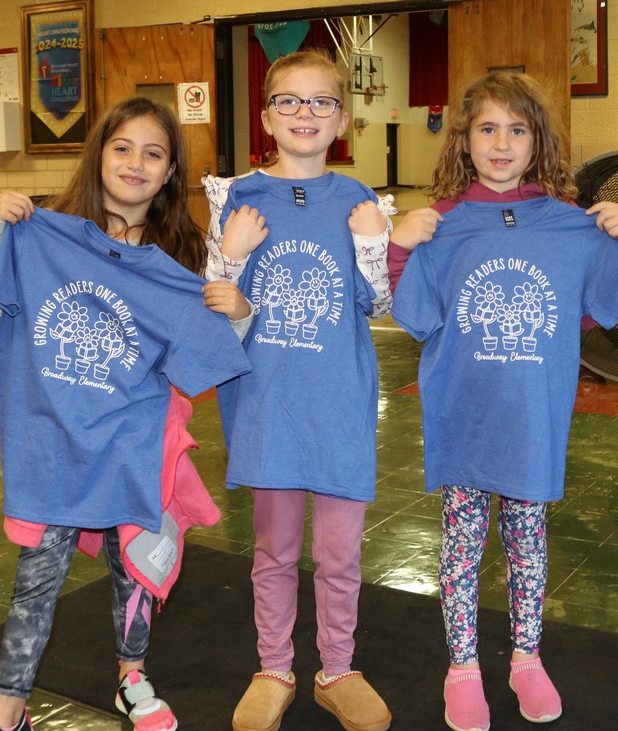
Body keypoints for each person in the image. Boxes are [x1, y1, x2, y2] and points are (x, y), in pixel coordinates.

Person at [0, 97, 254, 731]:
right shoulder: (44, 233)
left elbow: (213, 354)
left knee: (135, 567)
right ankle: (7, 709)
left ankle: (132, 677)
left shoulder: (177, 260)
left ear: (171, 171)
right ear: (98, 156)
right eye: (122, 148)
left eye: (154, 153)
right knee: (36, 578)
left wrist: (239, 311)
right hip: (51, 445)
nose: (135, 163)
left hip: (133, 444)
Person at [390, 72, 618, 731]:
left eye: (517, 129)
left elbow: (591, 312)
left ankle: (527, 656)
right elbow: (410, 308)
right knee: (461, 544)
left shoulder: (569, 226)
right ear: (464, 141)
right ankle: (462, 666)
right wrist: (398, 242)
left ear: (538, 142)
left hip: (531, 420)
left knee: (529, 541)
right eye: (488, 128)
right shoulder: (441, 226)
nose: (502, 144)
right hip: (464, 419)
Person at [203, 48, 393, 731]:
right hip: (270, 404)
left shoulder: (359, 200)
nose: (304, 113)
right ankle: (274, 666)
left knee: (341, 553)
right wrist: (230, 251)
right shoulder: (237, 196)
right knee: (275, 549)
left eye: (320, 102)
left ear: (342, 117)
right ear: (266, 115)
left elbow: (377, 303)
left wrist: (374, 242)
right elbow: (216, 304)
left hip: (338, 402)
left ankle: (337, 668)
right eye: (289, 100)